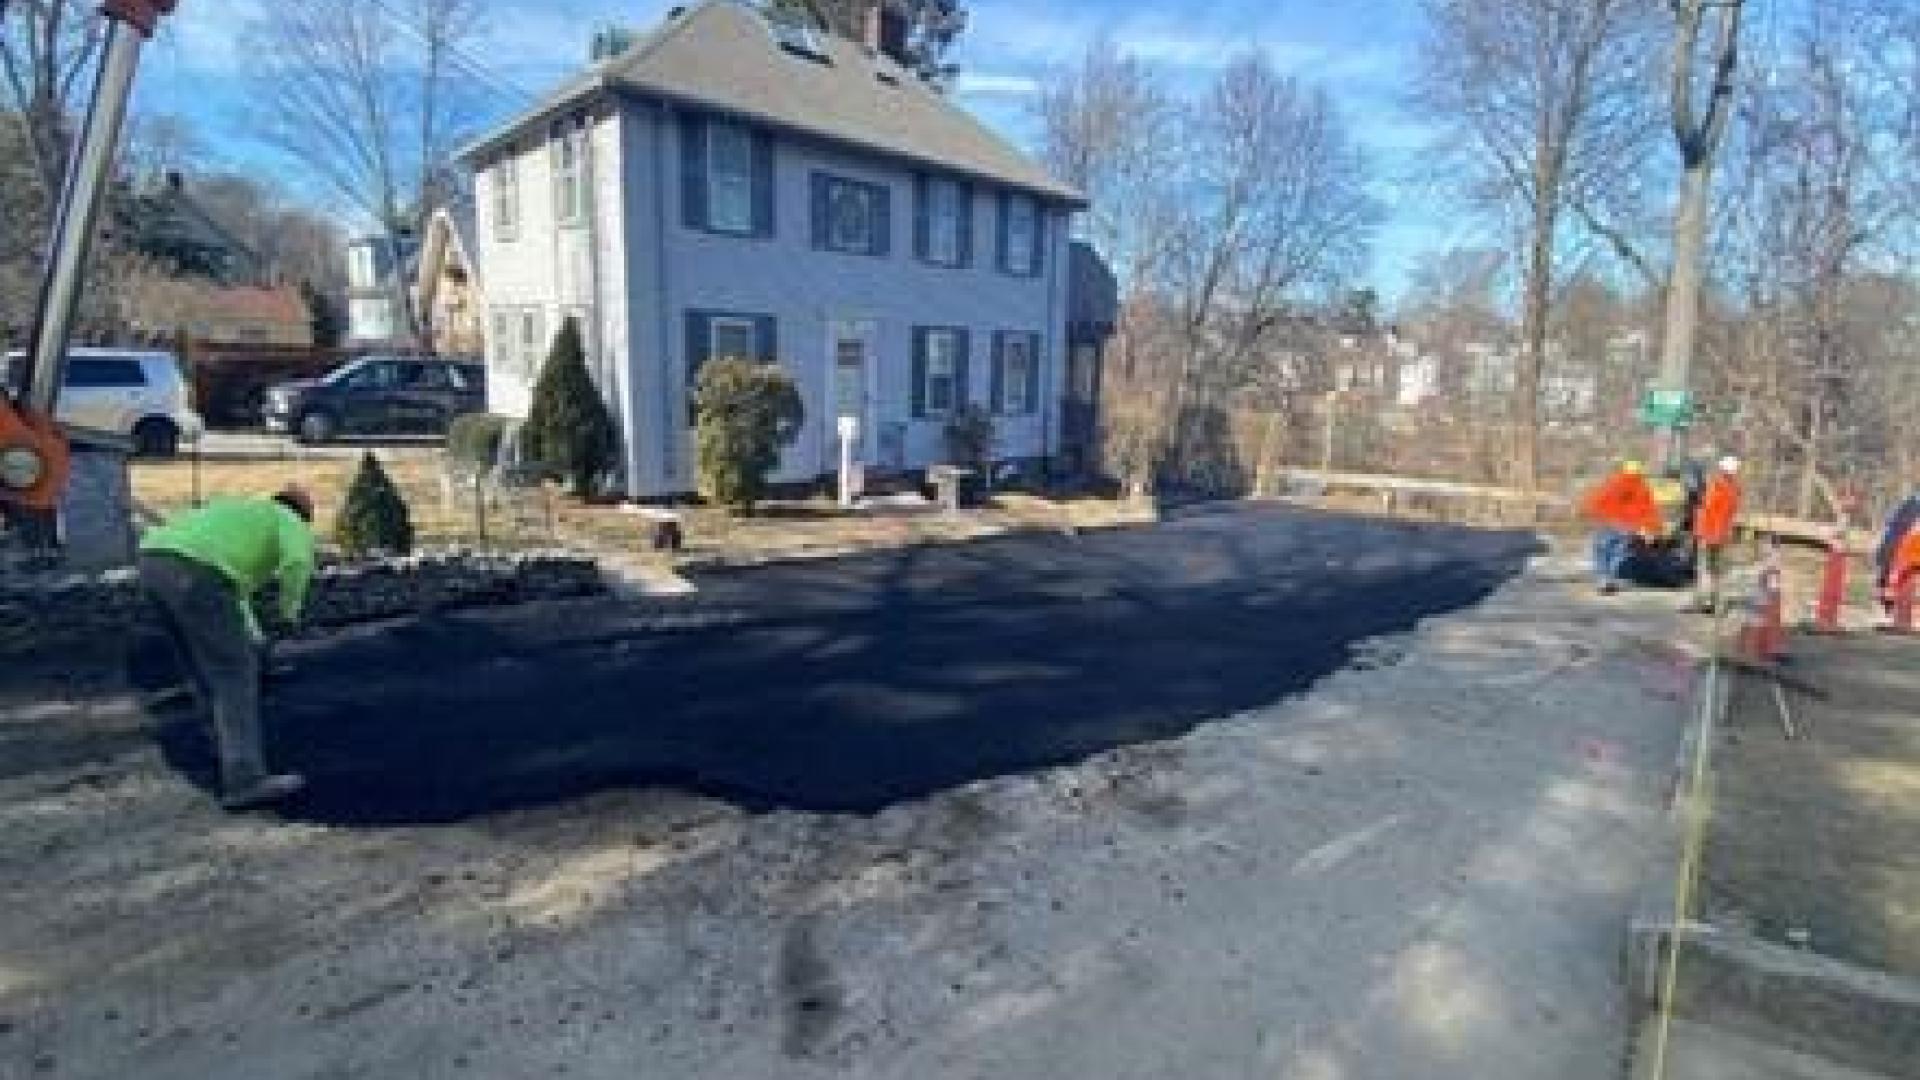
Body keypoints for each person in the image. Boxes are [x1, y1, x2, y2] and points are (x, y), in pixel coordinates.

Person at [138, 486, 316, 810]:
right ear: (303, 516)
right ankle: (245, 780)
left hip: (154, 562)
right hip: (197, 572)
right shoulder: (288, 519)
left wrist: (258, 647)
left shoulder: (242, 516)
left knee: (202, 669)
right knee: (233, 677)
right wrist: (289, 615)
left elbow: (236, 606)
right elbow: (298, 562)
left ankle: (216, 754)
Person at [1582, 459, 1664, 594]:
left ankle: (1602, 579)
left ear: (1624, 469)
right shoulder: (1642, 488)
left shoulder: (1613, 483)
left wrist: (1595, 515)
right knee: (1618, 553)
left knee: (1602, 551)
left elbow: (1596, 500)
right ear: (1640, 472)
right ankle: (1609, 579)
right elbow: (1648, 510)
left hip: (1607, 522)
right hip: (1626, 526)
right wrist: (1653, 528)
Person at [1691, 455, 1742, 613]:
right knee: (1717, 571)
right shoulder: (1734, 490)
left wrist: (1699, 531)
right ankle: (1716, 603)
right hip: (1722, 535)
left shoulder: (1716, 487)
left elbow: (1707, 510)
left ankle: (1703, 602)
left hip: (1709, 533)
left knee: (1703, 568)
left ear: (1723, 469)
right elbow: (1730, 514)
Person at [1874, 489, 1920, 609]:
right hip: (1896, 550)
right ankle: (1889, 605)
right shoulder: (1913, 503)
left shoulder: (1912, 502)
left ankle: (1889, 604)